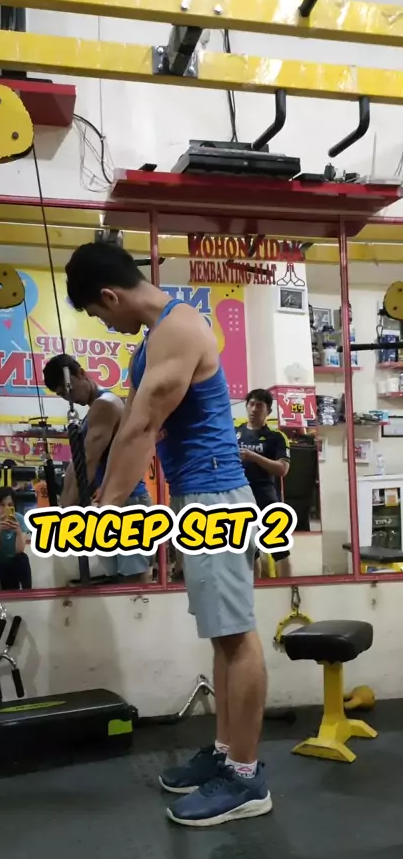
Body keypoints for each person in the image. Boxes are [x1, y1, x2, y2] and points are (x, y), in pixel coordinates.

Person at [65, 241, 271, 829]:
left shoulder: (178, 330)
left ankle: (246, 777)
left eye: (99, 314)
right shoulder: (156, 338)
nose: (105, 324)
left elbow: (141, 428)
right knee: (223, 636)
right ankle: (227, 753)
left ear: (110, 296)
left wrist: (104, 508)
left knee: (237, 636)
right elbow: (134, 426)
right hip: (196, 495)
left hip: (216, 496)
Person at [43, 353, 153, 584]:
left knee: (134, 582)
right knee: (116, 581)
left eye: (68, 390)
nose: (68, 398)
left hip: (128, 502)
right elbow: (79, 463)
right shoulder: (95, 410)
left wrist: (66, 511)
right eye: (62, 395)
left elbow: (87, 462)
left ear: (82, 374)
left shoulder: (105, 405)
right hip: (112, 503)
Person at [237, 389, 292, 579]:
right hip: (240, 498)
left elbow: (282, 469)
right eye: (251, 404)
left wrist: (253, 456)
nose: (254, 409)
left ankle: (288, 589)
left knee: (279, 549)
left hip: (266, 497)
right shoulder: (235, 432)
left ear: (268, 410)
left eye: (259, 405)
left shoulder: (276, 437)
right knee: (249, 550)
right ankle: (255, 591)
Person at [0, 488, 32, 590]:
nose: (6, 508)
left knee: (23, 558)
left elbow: (20, 550)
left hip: (14, 563)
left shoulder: (19, 519)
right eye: (2, 505)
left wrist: (18, 531)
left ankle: (28, 593)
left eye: (9, 505)